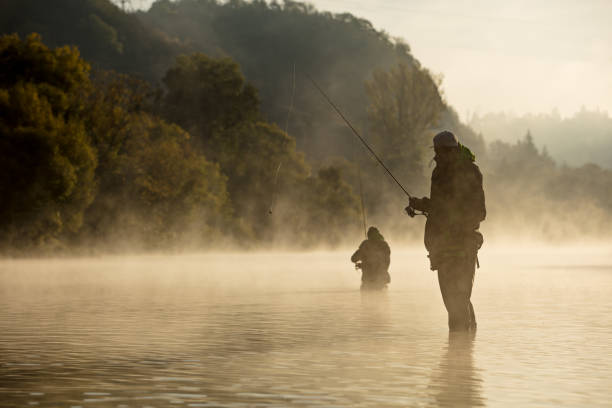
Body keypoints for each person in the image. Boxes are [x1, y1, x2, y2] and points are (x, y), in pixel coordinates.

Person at [407, 131, 486, 331]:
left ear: (453, 150)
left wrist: (436, 211)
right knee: (453, 302)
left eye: (441, 152)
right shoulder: (439, 172)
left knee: (457, 302)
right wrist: (422, 204)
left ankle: (462, 350)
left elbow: (479, 212)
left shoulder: (470, 172)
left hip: (463, 246)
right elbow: (440, 205)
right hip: (441, 247)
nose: (437, 157)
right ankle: (467, 347)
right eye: (437, 152)